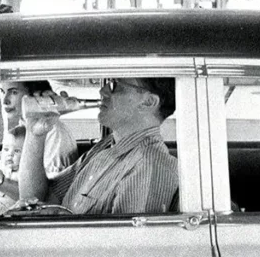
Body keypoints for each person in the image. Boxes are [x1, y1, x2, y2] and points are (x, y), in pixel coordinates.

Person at [19, 77, 178, 214]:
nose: (103, 91)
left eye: (115, 85)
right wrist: (35, 134)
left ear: (148, 102)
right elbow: (35, 201)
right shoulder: (105, 147)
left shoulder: (149, 164)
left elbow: (128, 247)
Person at [0, 80, 77, 177]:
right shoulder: (24, 122)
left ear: (33, 96)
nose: (5, 101)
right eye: (2, 92)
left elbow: (51, 188)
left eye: (14, 92)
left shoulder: (52, 132)